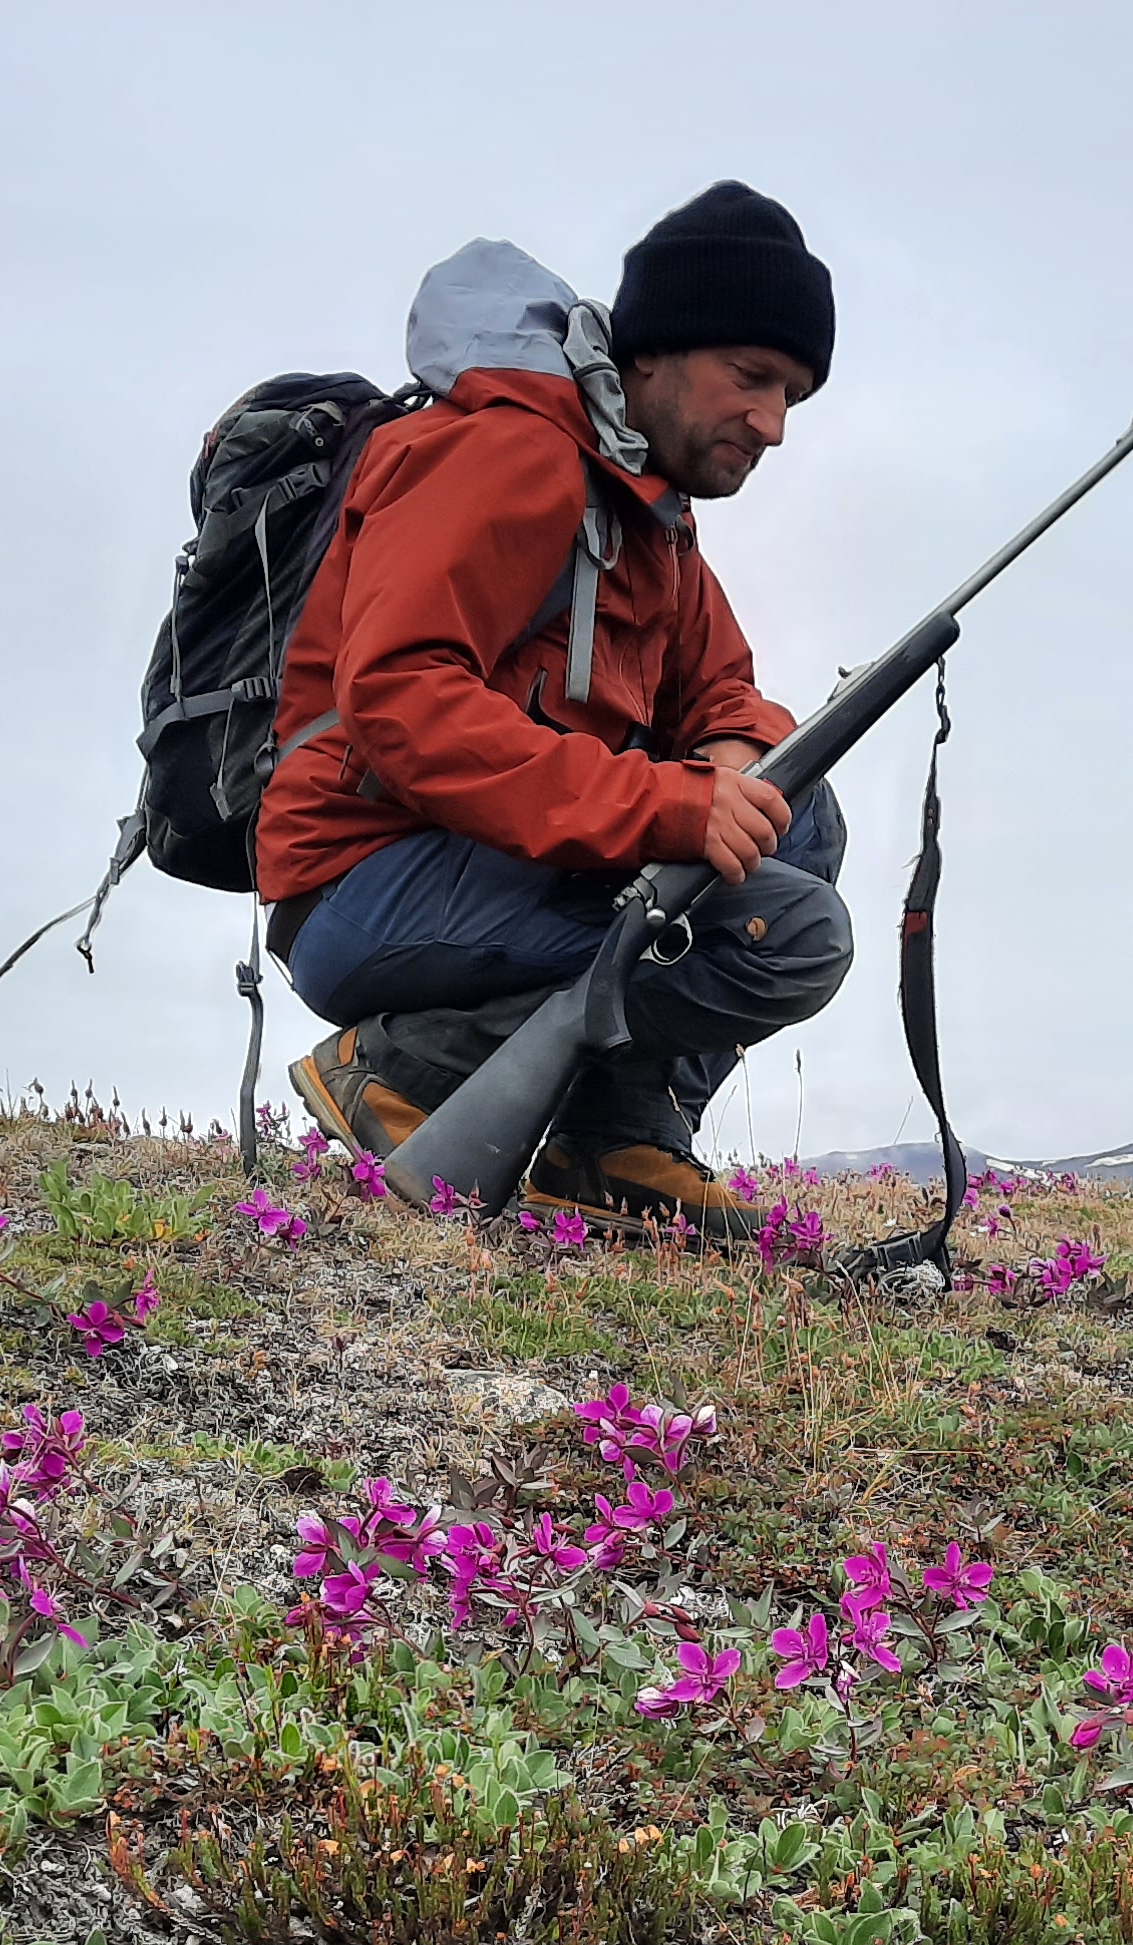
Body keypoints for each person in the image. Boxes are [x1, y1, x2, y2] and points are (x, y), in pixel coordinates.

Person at [260, 185, 853, 1244]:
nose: (771, 424)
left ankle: (615, 1135)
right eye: (750, 377)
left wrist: (735, 752)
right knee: (790, 934)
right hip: (361, 880)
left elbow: (724, 686)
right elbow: (401, 696)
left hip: (496, 875)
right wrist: (671, 807)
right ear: (655, 352)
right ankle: (402, 1066)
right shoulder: (508, 452)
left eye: (793, 398)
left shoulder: (653, 515)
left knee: (796, 813)